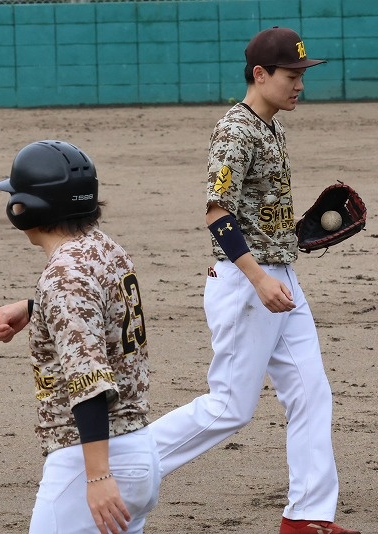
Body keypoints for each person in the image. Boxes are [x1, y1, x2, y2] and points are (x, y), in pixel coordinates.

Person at [148, 27, 360, 534]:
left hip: (278, 280)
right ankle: (121, 462)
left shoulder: (273, 127)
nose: (300, 85)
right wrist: (259, 278)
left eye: (303, 75)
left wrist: (292, 236)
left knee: (311, 393)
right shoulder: (235, 131)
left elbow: (254, 211)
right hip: (248, 285)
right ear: (260, 74)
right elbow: (217, 214)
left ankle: (307, 517)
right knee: (229, 407)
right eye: (291, 75)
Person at [0, 140, 160, 534]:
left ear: (28, 208)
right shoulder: (105, 247)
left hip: (90, 460)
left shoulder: (64, 278)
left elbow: (89, 381)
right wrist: (35, 308)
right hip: (138, 449)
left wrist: (97, 476)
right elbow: (99, 312)